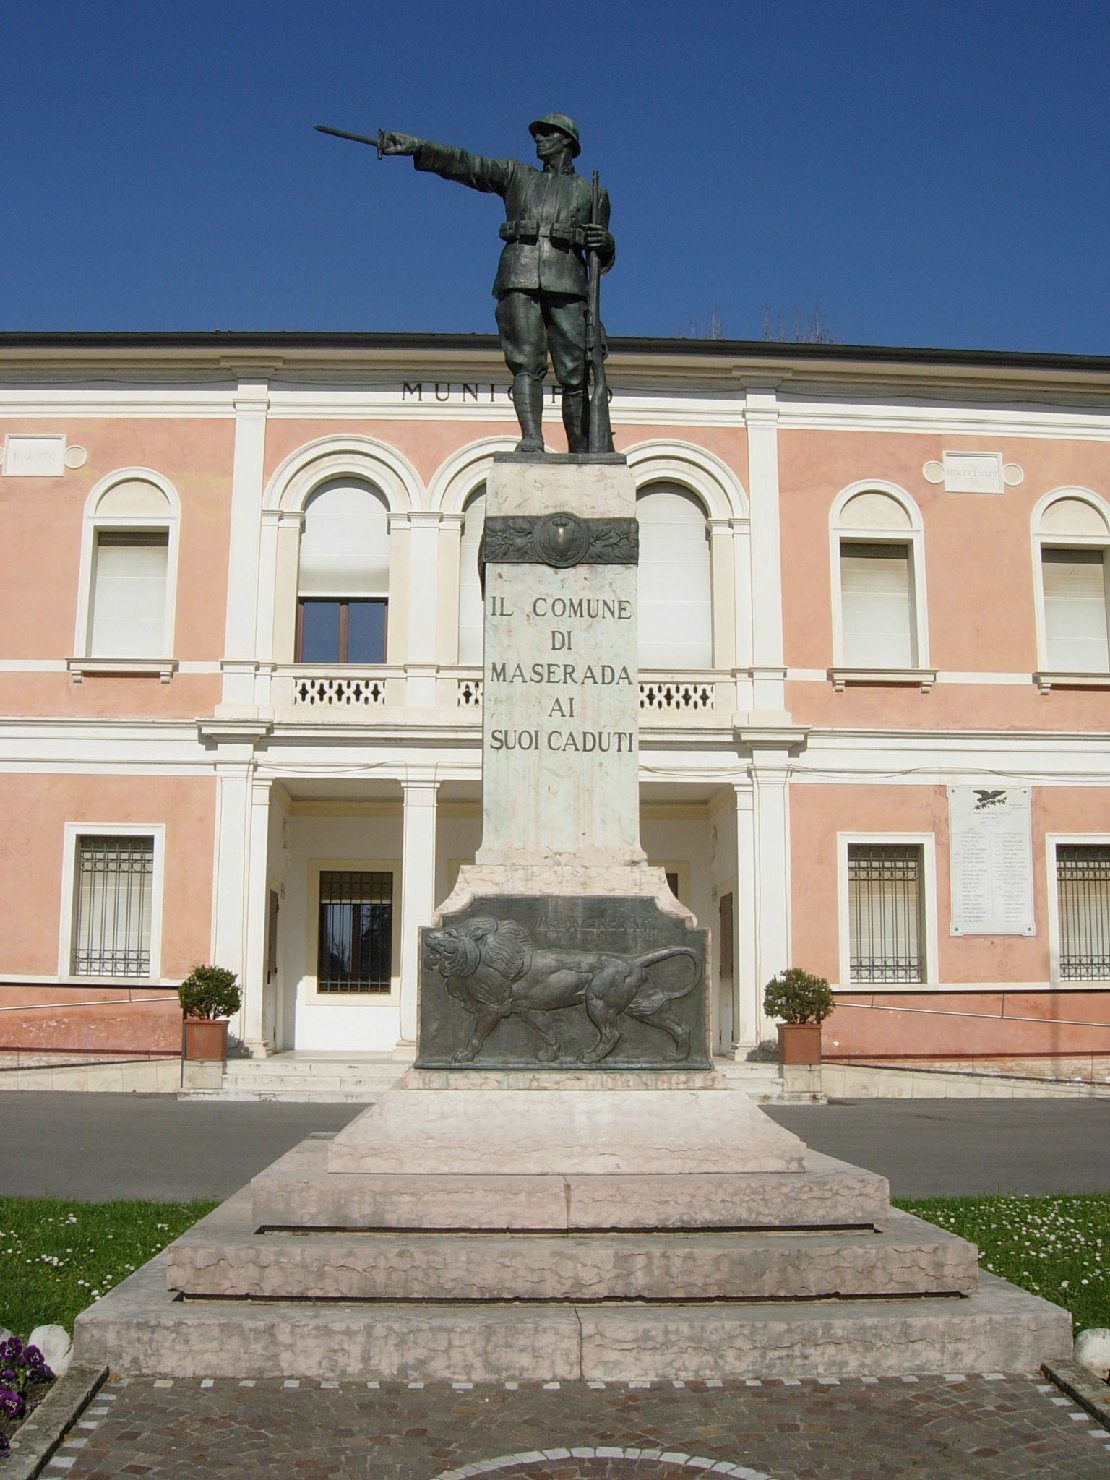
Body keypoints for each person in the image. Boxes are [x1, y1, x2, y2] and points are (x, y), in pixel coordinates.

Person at [380, 115, 614, 454]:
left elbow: (601, 256)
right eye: (537, 134)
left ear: (567, 141)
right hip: (518, 274)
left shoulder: (593, 192)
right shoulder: (517, 175)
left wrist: (605, 243)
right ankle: (532, 438)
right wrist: (419, 147)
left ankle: (580, 447)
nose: (538, 139)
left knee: (575, 373)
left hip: (568, 281)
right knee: (525, 362)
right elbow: (467, 164)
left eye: (546, 133)